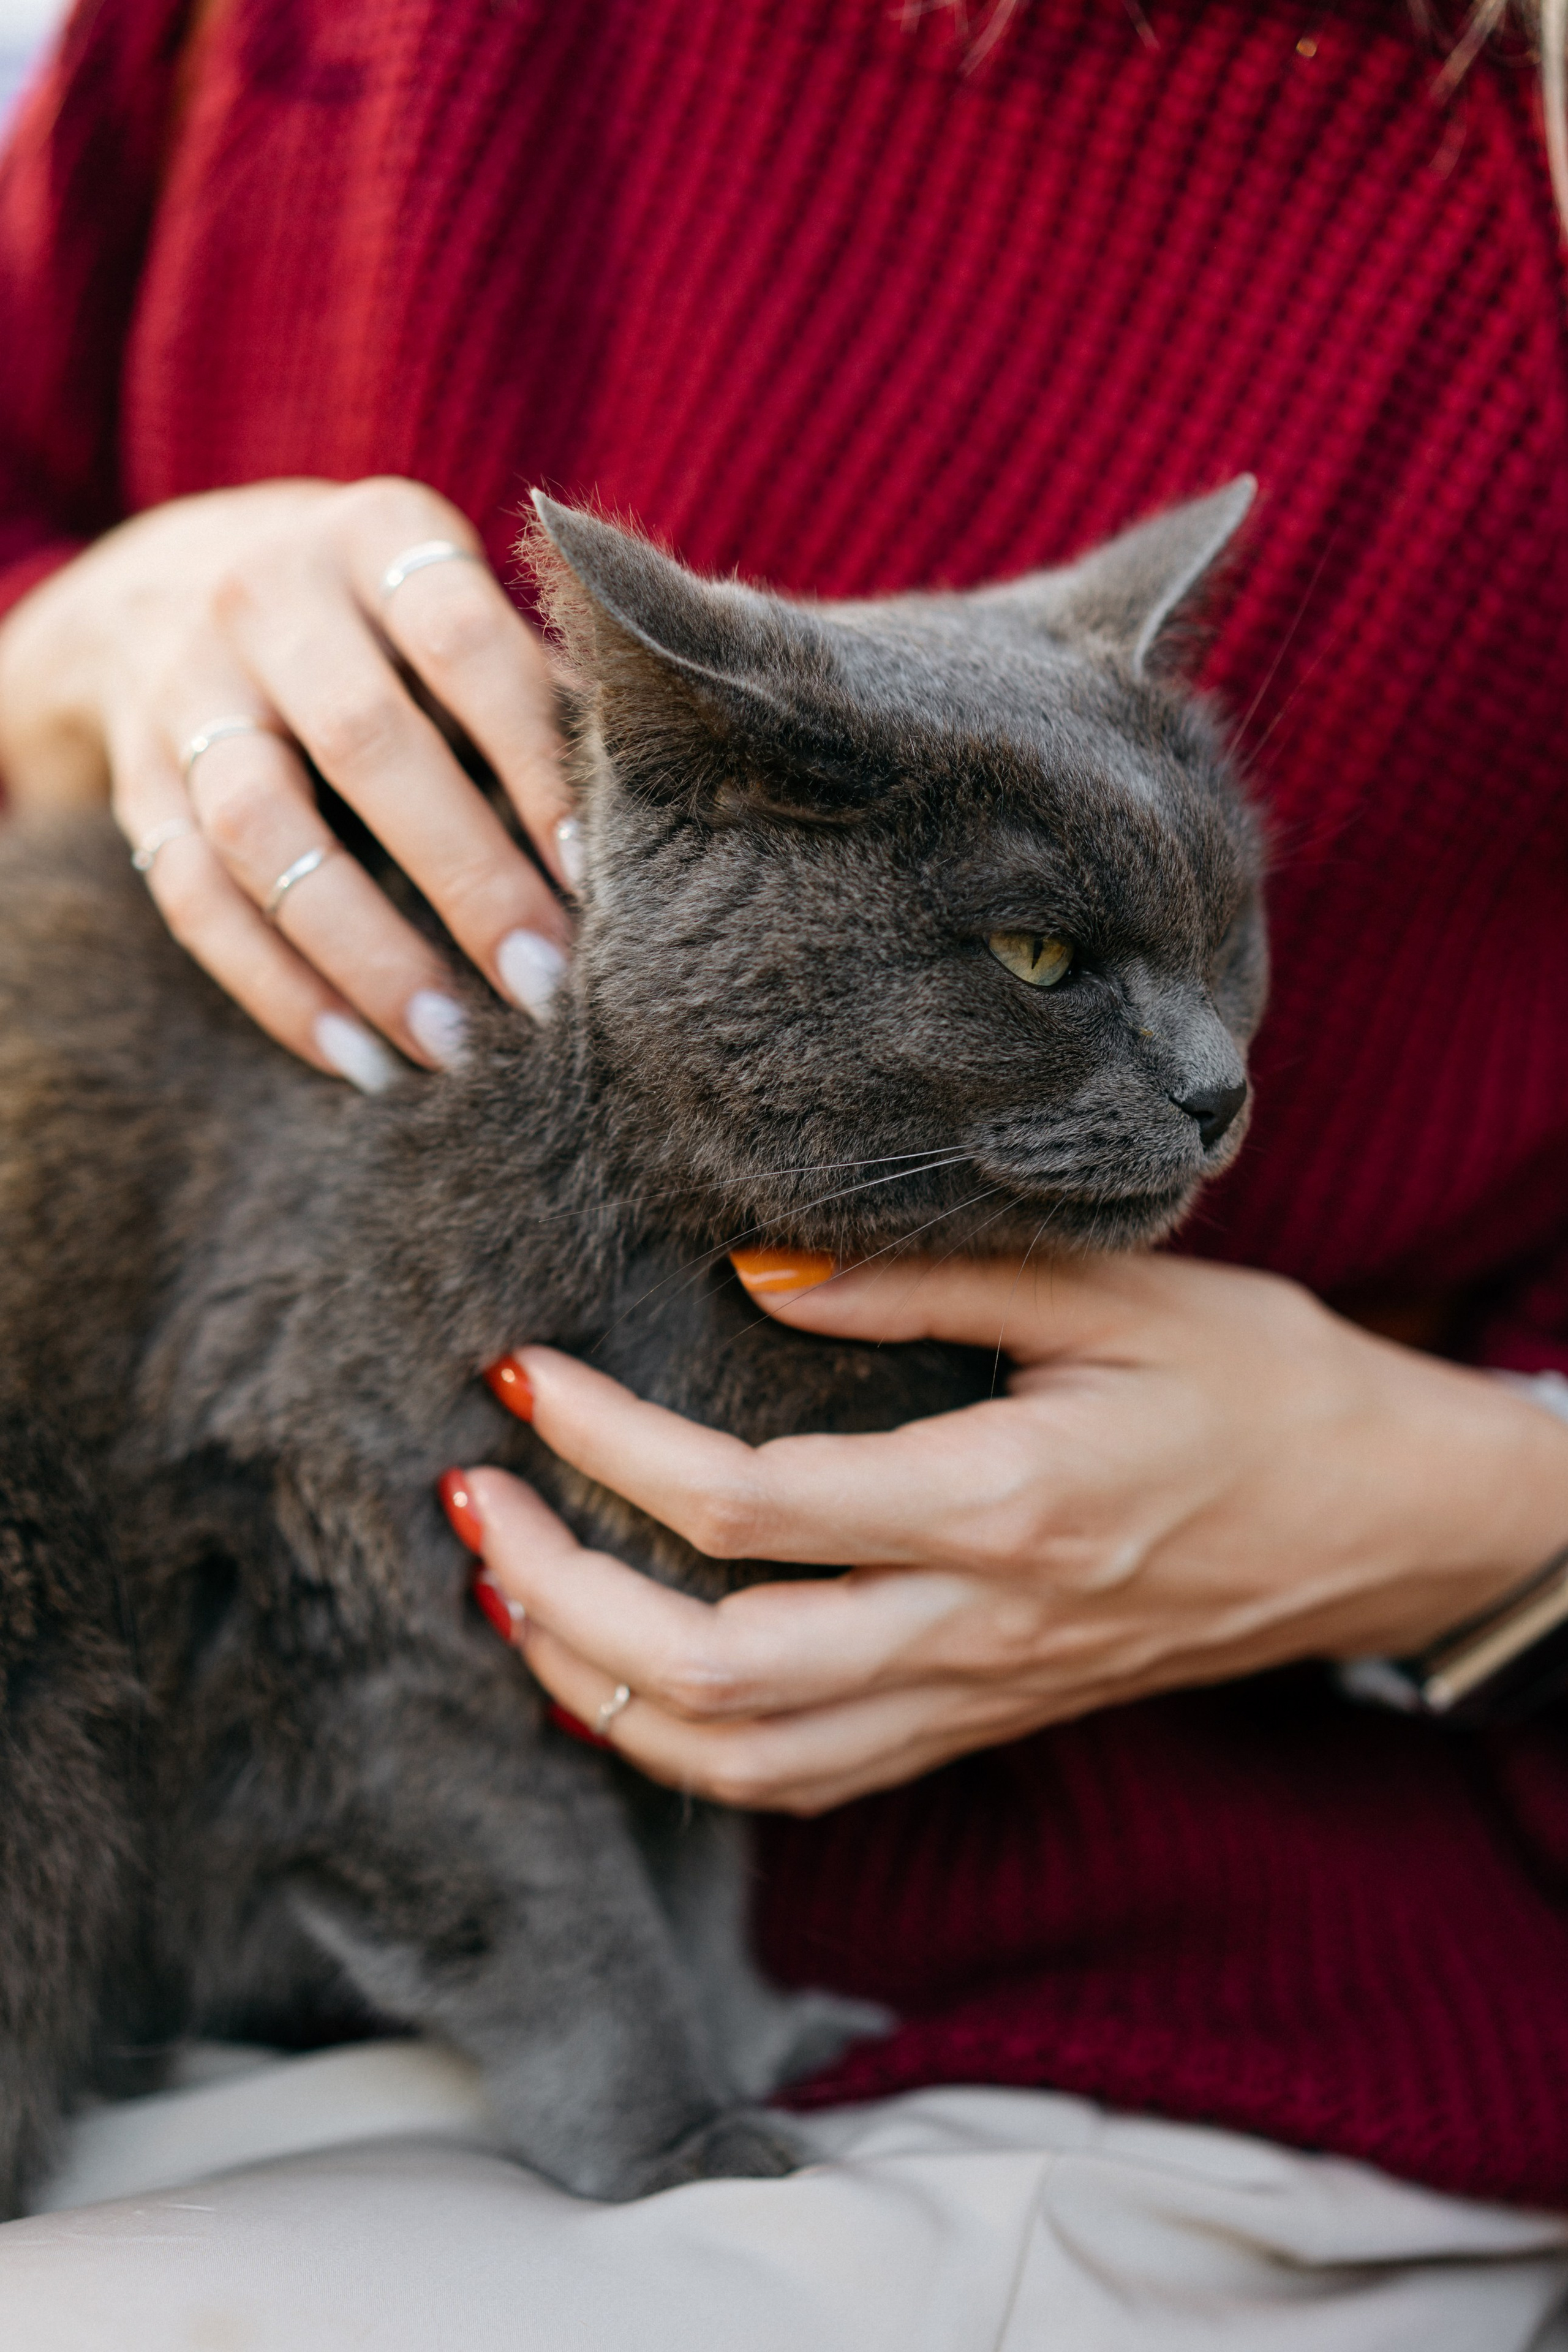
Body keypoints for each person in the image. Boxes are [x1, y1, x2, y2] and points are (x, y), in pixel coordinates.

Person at [1, 0, 1567, 2342]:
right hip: (252, 1926)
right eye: (1056, 957)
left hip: (1174, 1983)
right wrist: (70, 639)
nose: (1214, 1075)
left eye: (1213, 939)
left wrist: (1473, 1517)